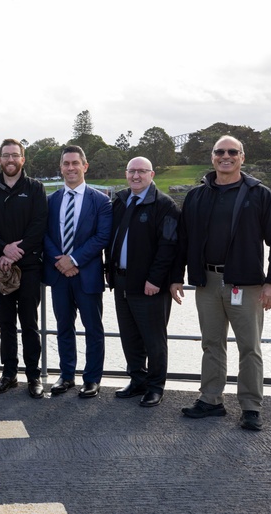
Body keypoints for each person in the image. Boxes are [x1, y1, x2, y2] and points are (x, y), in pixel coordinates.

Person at [170, 135, 271, 431]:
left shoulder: (259, 194)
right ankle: (211, 400)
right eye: (220, 152)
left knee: (249, 347)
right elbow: (182, 240)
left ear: (242, 157)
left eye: (232, 152)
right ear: (212, 157)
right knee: (212, 343)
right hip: (206, 282)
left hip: (246, 284)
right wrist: (175, 277)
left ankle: (251, 407)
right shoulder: (197, 195)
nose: (226, 156)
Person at [106, 156, 180, 408]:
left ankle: (155, 386)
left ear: (152, 174)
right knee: (129, 336)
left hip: (150, 285)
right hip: (121, 281)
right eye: (131, 171)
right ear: (126, 174)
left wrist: (155, 279)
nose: (136, 176)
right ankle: (137, 379)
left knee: (154, 339)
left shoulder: (164, 205)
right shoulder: (121, 201)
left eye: (142, 171)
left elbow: (168, 246)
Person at [0, 139, 48, 399]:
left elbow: (39, 224)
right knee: (5, 323)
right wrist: (2, 248)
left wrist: (16, 252)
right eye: (5, 155)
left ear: (23, 159)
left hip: (28, 267)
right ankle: (9, 374)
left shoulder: (35, 189)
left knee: (29, 323)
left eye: (15, 155)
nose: (10, 160)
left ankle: (33, 377)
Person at [43, 145, 112, 399]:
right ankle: (66, 375)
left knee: (93, 328)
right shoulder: (51, 201)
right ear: (61, 168)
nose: (70, 168)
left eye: (75, 163)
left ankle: (92, 379)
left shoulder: (101, 201)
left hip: (88, 274)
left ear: (85, 166)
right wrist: (60, 261)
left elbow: (102, 237)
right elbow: (44, 235)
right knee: (63, 326)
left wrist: (73, 259)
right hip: (59, 274)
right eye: (66, 164)